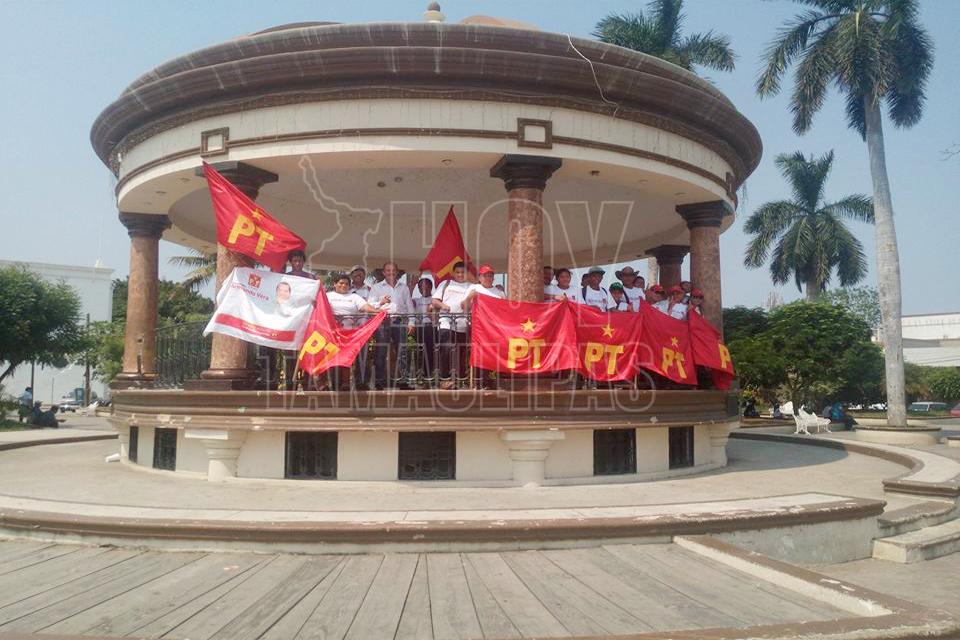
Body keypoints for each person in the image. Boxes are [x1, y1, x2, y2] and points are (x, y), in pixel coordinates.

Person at [326, 273, 382, 390]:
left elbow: (365, 307)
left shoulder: (354, 297)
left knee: (348, 357)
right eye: (341, 283)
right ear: (334, 284)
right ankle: (334, 384)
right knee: (335, 358)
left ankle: (348, 383)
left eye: (346, 284)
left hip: (351, 334)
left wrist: (377, 311)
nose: (343, 285)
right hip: (334, 333)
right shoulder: (328, 296)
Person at [368, 261, 416, 390]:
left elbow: (409, 306)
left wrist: (412, 322)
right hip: (383, 321)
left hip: (399, 321)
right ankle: (379, 381)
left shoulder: (404, 287)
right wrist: (381, 302)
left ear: (397, 272)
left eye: (393, 270)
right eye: (388, 270)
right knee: (381, 351)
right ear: (384, 272)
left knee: (402, 351)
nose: (391, 272)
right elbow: (369, 305)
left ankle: (404, 381)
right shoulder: (376, 287)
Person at [432, 262, 472, 389]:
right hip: (446, 322)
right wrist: (443, 306)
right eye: (458, 272)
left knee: (461, 354)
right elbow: (434, 301)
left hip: (462, 325)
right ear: (453, 273)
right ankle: (444, 379)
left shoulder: (471, 287)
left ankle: (461, 380)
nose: (460, 275)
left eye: (462, 272)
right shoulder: (446, 284)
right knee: (446, 349)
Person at [411, 278, 437, 380]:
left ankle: (428, 374)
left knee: (429, 351)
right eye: (421, 287)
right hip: (419, 328)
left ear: (431, 287)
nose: (424, 289)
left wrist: (430, 312)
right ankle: (420, 374)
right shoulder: (416, 300)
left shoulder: (435, 300)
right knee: (420, 352)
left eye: (426, 286)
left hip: (432, 328)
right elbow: (407, 301)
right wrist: (411, 286)